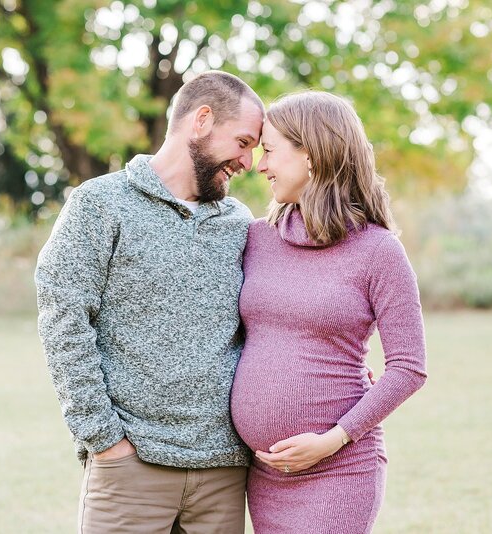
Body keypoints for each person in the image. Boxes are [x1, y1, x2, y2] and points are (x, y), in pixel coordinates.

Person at [35, 71, 264, 533]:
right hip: (131, 466)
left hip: (223, 471)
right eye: (242, 141)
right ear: (201, 121)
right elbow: (64, 322)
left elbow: (275, 315)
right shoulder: (100, 204)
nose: (248, 160)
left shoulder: (240, 222)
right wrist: (104, 441)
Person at [230, 90, 428, 533]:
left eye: (270, 151)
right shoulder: (257, 239)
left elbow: (409, 367)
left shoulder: (378, 251)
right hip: (265, 474)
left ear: (312, 155)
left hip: (340, 469)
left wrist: (332, 439)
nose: (259, 165)